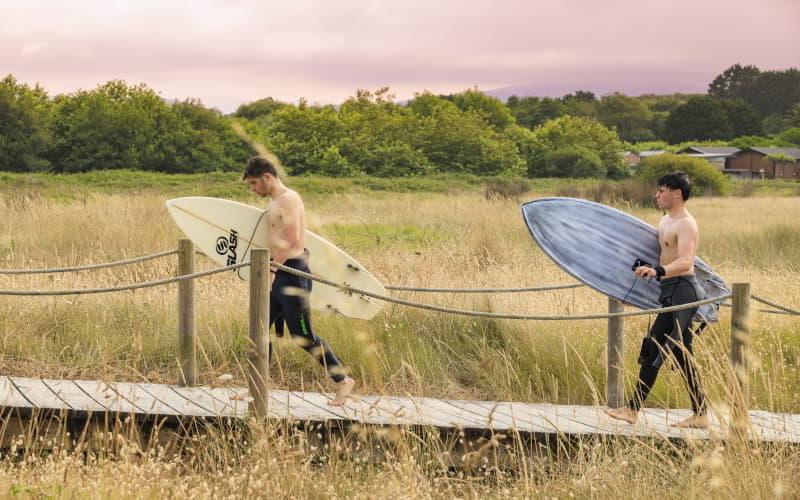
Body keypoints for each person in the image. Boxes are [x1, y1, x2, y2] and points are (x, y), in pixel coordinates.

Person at [242, 155, 355, 406]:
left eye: (253, 183)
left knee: (302, 335)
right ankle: (256, 387)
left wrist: (271, 270)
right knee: (259, 329)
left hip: (291, 274)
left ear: (267, 177)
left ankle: (343, 381)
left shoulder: (289, 199)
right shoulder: (276, 201)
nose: (252, 189)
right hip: (279, 272)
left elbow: (292, 240)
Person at [606, 172, 708, 429]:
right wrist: (648, 268)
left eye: (662, 190)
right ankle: (701, 413)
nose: (657, 195)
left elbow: (685, 261)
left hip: (684, 292)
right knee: (681, 353)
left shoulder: (686, 223)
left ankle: (632, 409)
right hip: (669, 291)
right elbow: (664, 258)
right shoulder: (665, 221)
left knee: (655, 347)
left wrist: (658, 271)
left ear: (677, 193)